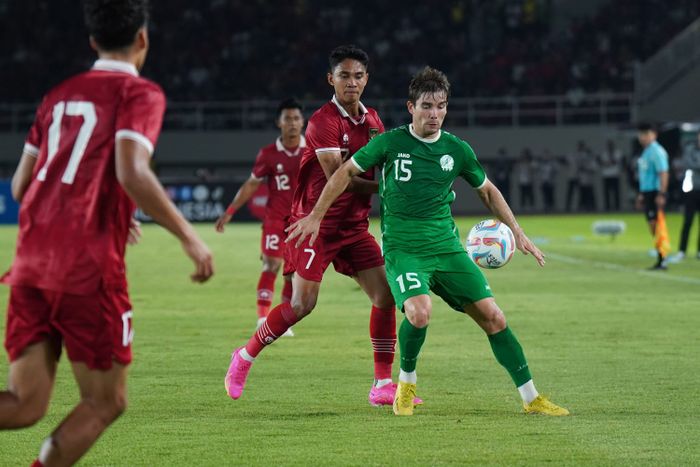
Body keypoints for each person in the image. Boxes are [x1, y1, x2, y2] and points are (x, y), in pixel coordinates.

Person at [0, 1, 214, 465]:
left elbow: (21, 186)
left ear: (93, 41)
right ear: (143, 39)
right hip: (86, 272)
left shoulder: (57, 96)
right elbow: (132, 170)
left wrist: (110, 209)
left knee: (24, 404)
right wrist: (189, 237)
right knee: (106, 400)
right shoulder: (141, 94)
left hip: (31, 265)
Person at [287, 66, 569, 417]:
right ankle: (405, 383)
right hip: (404, 250)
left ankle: (531, 398)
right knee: (420, 313)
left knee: (494, 318)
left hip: (447, 248)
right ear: (411, 107)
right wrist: (315, 215)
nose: (434, 114)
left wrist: (518, 232)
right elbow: (344, 173)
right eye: (426, 106)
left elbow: (487, 191)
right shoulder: (389, 142)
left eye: (440, 106)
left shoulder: (457, 149)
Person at [224, 45, 421, 408]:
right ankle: (244, 356)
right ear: (331, 79)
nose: (352, 82)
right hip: (314, 224)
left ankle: (381, 385)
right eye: (344, 76)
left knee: (385, 295)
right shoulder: (322, 122)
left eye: (359, 76)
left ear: (367, 79)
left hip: (354, 227)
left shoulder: (374, 121)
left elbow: (385, 164)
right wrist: (389, 187)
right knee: (301, 305)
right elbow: (339, 177)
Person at [215, 99, 305, 336]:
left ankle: (282, 322)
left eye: (296, 118)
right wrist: (229, 211)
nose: (292, 123)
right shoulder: (268, 154)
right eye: (287, 119)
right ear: (279, 122)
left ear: (302, 122)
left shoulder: (312, 151)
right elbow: (251, 185)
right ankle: (262, 318)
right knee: (271, 264)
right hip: (275, 220)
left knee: (292, 272)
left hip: (301, 222)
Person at [635, 123, 670, 270]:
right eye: (641, 134)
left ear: (654, 135)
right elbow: (645, 176)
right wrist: (642, 195)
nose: (643, 137)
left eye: (647, 134)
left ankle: (663, 258)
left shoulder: (656, 151)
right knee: (652, 224)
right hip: (648, 192)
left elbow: (663, 173)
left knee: (657, 224)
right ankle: (660, 254)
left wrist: (662, 193)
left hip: (655, 192)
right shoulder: (646, 152)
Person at [669, 132, 700, 261]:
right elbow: (689, 164)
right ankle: (682, 250)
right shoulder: (690, 150)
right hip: (692, 190)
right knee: (688, 221)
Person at [600, 139, 623, 211]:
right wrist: (609, 162)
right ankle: (607, 207)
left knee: (616, 192)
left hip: (615, 174)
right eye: (608, 145)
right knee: (606, 193)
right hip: (606, 175)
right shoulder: (604, 153)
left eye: (611, 145)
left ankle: (617, 207)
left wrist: (609, 162)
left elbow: (616, 161)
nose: (610, 146)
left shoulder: (618, 152)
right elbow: (602, 163)